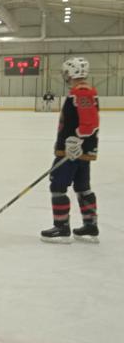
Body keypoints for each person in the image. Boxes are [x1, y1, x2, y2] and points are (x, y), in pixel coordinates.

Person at [41, 57, 99, 244]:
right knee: (82, 187)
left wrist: (77, 139)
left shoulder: (81, 92)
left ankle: (61, 228)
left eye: (66, 72)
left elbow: (89, 123)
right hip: (80, 151)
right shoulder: (83, 91)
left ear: (71, 72)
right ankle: (90, 226)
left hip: (71, 151)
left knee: (57, 186)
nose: (64, 76)